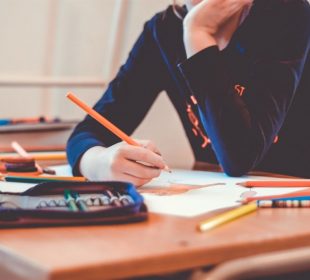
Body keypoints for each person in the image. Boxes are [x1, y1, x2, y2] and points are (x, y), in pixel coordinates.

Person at [67, 0, 310, 186]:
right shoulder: (164, 30)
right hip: (218, 199)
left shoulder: (288, 14)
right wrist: (96, 163)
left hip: (293, 202)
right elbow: (89, 131)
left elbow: (240, 159)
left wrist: (197, 34)